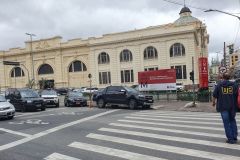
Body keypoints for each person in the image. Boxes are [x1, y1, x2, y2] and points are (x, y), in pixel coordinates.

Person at [212, 73, 238, 144]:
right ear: (229, 77)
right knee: (232, 121)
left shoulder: (219, 85)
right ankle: (234, 137)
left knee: (226, 123)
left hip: (223, 107)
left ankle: (230, 139)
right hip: (232, 107)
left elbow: (214, 95)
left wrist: (213, 103)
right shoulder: (234, 85)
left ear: (223, 77)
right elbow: (237, 95)